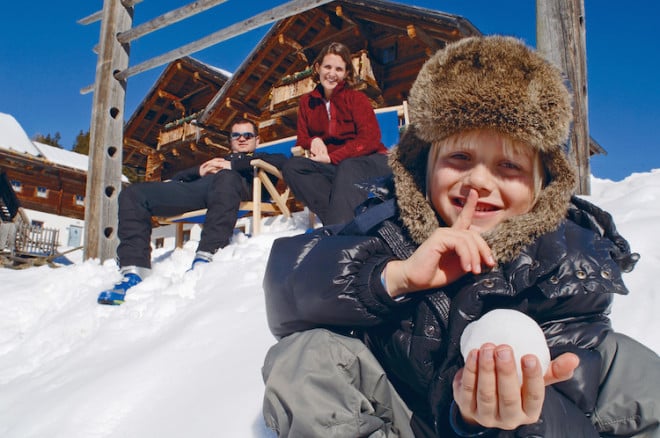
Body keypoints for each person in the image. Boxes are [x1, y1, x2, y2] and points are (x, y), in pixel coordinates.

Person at [261, 36, 659, 437]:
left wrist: (508, 416)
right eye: (460, 158)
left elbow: (576, 398)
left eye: (508, 165)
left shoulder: (568, 261)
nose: (479, 181)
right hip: (403, 419)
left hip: (522, 426)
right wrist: (393, 278)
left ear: (543, 184)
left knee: (632, 368)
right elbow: (287, 291)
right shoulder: (390, 228)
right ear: (425, 165)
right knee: (303, 359)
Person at [97, 118, 286, 305]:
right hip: (201, 191)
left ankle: (206, 257)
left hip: (238, 188)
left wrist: (233, 166)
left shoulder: (264, 158)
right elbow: (179, 178)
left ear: (257, 140)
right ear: (231, 140)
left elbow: (282, 161)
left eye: (247, 135)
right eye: (236, 135)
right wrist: (199, 171)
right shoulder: (219, 161)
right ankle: (134, 272)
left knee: (226, 178)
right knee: (133, 194)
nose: (242, 139)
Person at [281, 41, 392, 226]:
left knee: (348, 166)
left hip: (370, 161)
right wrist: (313, 140)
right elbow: (302, 138)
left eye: (339, 69)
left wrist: (333, 158)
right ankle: (342, 226)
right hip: (335, 169)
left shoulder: (356, 99)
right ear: (317, 68)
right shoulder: (307, 102)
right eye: (327, 67)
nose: (332, 74)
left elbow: (370, 139)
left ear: (346, 73)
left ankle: (337, 233)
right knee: (293, 167)